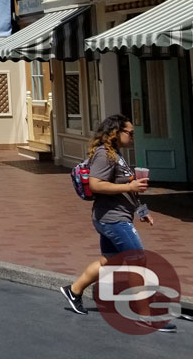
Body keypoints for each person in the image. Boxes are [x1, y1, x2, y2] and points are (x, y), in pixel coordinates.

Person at [58, 115, 172, 331]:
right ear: (115, 132)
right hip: (112, 219)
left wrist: (141, 210)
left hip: (115, 217)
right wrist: (129, 187)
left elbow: (128, 188)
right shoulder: (104, 154)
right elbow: (96, 185)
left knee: (109, 261)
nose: (132, 137)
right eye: (129, 132)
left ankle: (74, 290)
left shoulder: (116, 155)